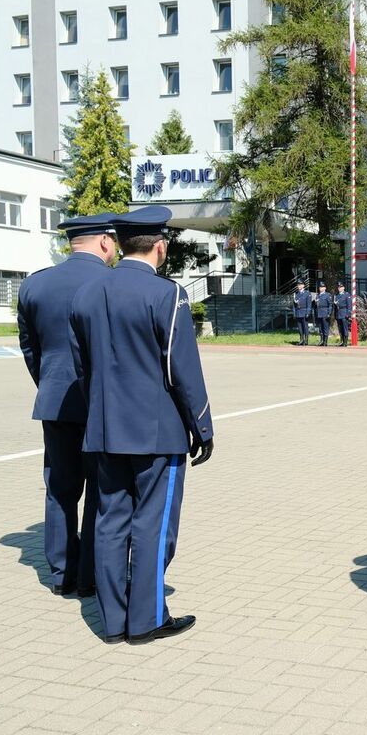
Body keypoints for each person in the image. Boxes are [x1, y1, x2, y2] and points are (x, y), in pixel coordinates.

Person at [69, 206, 215, 645]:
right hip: (157, 432)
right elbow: (182, 368)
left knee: (109, 521)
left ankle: (112, 621)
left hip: (104, 429)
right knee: (153, 524)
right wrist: (202, 427)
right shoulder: (165, 294)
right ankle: (146, 619)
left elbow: (82, 368)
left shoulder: (87, 294)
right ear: (159, 246)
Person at [16, 213, 118, 597]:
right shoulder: (112, 282)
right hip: (103, 404)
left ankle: (61, 574)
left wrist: (49, 384)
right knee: (101, 489)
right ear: (105, 242)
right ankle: (89, 575)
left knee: (60, 487)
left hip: (55, 402)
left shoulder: (35, 284)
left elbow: (31, 349)